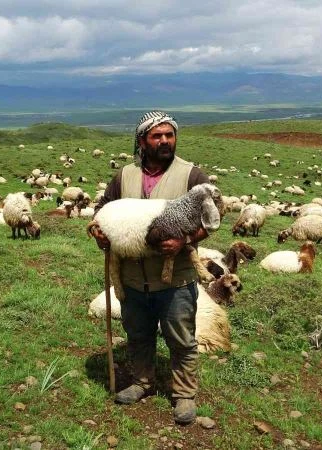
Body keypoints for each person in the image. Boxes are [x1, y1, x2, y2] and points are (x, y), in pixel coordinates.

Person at [89, 111, 210, 425]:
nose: (165, 141)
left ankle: (184, 394)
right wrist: (99, 232)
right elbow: (102, 211)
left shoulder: (191, 176)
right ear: (142, 140)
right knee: (138, 334)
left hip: (175, 278)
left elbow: (211, 220)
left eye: (169, 135)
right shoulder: (124, 176)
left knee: (181, 339)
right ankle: (143, 382)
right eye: (157, 136)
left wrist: (185, 239)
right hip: (132, 276)